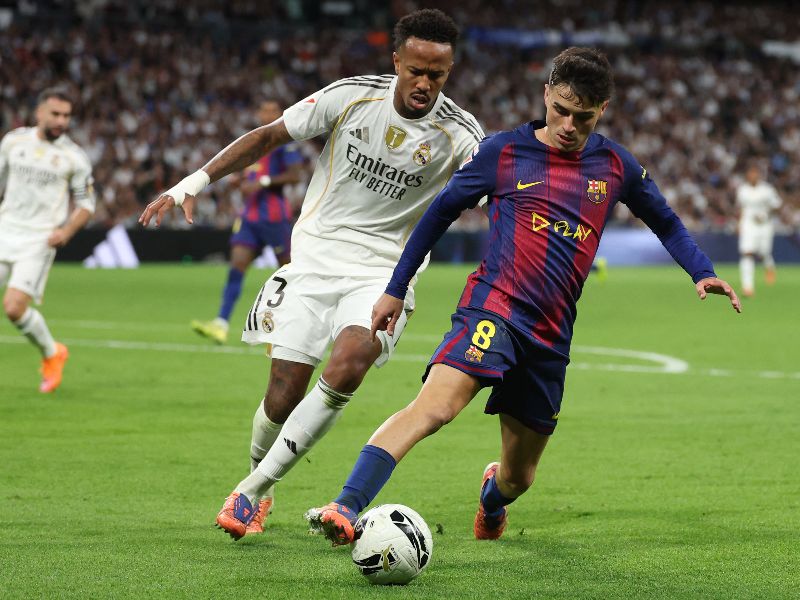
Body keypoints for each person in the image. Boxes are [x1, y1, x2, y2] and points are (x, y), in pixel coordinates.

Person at [305, 47, 741, 545]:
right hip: (493, 307)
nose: (568, 125)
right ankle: (346, 504)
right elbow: (438, 215)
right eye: (560, 111)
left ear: (602, 111)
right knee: (435, 408)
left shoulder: (616, 165)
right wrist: (394, 288)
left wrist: (700, 271)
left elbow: (664, 219)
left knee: (520, 477)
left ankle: (492, 496)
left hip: (551, 335)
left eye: (583, 116)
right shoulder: (502, 153)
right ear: (546, 97)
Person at [138, 8, 484, 539]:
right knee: (283, 392)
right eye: (416, 70)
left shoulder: (459, 133)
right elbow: (269, 136)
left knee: (351, 360)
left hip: (384, 272)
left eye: (437, 74)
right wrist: (193, 182)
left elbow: (498, 189)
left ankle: (249, 491)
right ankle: (265, 485)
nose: (425, 83)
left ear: (449, 70)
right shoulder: (351, 96)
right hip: (315, 259)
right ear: (397, 61)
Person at [0, 87, 96, 393]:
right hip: (5, 229)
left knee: (14, 308)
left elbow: (86, 205)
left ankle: (52, 354)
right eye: (55, 114)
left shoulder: (74, 157)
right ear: (39, 112)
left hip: (40, 239)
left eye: (66, 116)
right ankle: (53, 352)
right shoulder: (13, 143)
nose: (61, 121)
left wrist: (65, 232)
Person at [191, 99, 305, 344]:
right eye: (264, 110)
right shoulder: (254, 142)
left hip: (275, 218)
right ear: (258, 113)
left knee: (289, 273)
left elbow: (296, 175)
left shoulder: (286, 144)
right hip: (250, 217)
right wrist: (240, 180)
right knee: (236, 266)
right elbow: (251, 173)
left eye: (273, 111)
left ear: (281, 114)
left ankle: (297, 324)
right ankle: (221, 323)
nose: (268, 114)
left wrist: (262, 182)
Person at [736, 163, 782, 297]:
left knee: (763, 253)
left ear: (759, 175)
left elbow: (777, 206)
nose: (752, 176)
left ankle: (769, 267)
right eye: (750, 174)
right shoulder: (742, 190)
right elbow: (741, 208)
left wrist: (766, 214)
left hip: (765, 225)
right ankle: (748, 287)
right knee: (747, 252)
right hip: (748, 225)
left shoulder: (767, 190)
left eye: (755, 173)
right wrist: (739, 224)